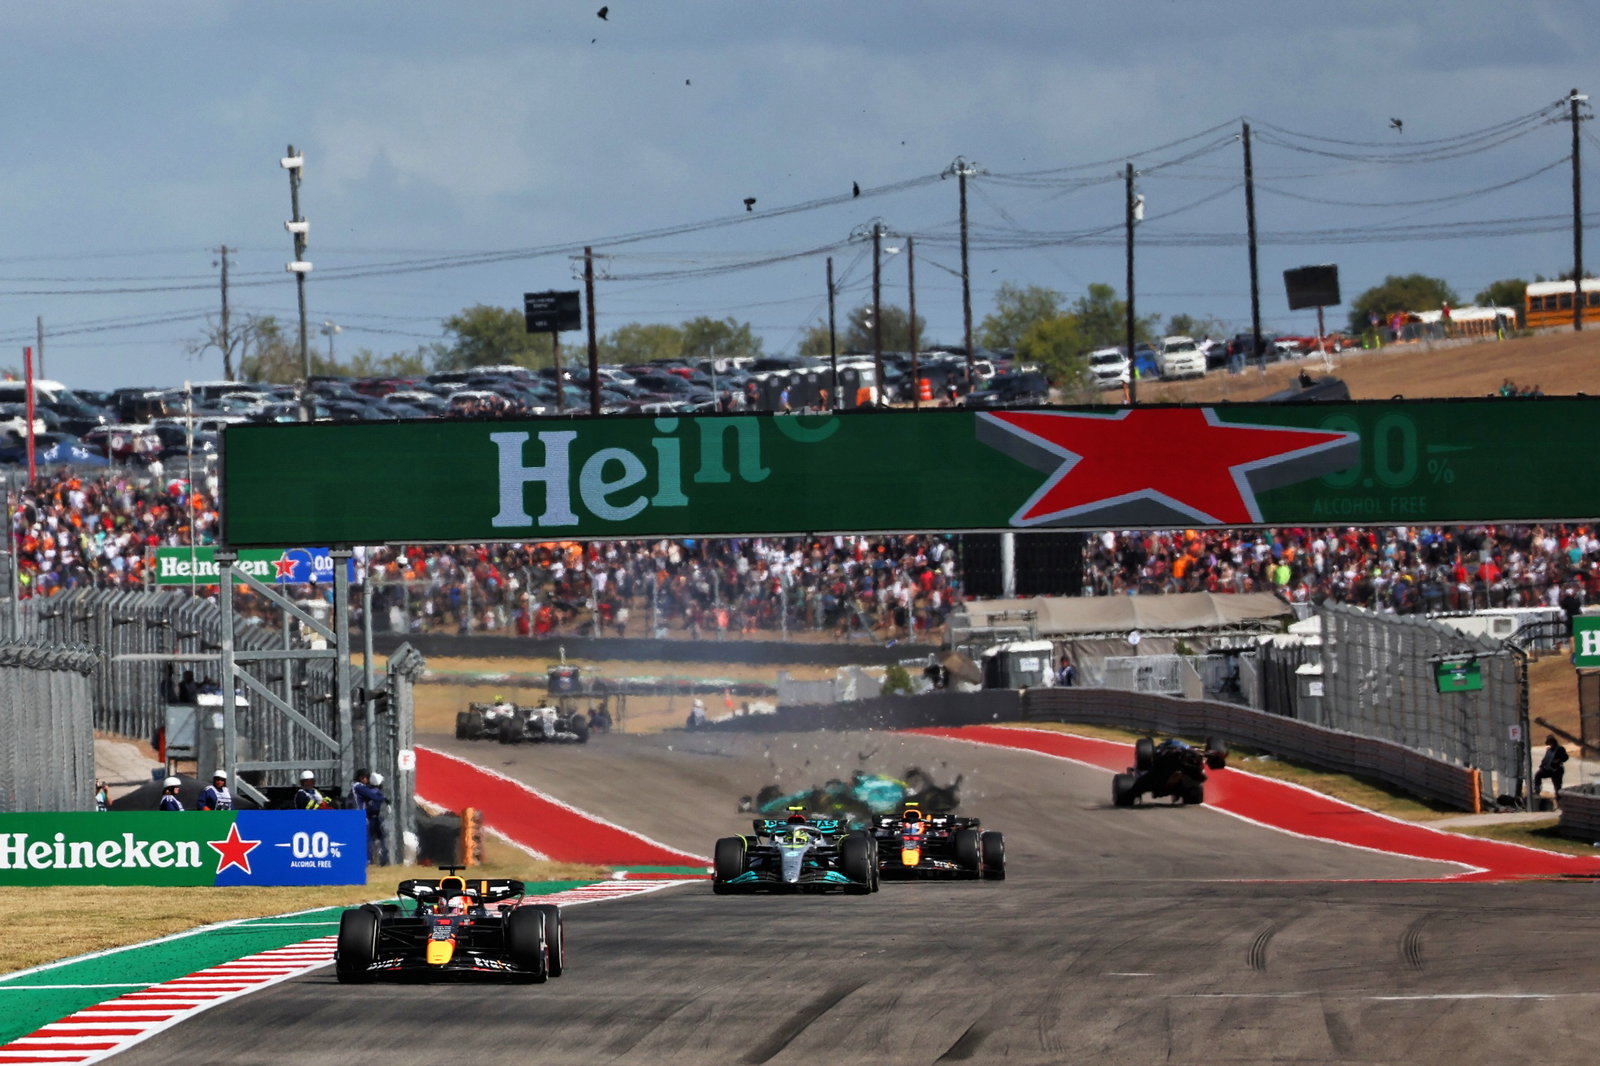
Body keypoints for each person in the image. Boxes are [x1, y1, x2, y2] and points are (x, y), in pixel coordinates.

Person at [351, 769, 390, 865]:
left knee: (367, 838)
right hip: (360, 815)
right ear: (361, 778)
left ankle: (371, 859)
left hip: (360, 816)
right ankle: (367, 860)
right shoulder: (359, 787)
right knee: (366, 839)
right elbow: (374, 796)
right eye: (365, 778)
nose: (367, 780)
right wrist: (385, 798)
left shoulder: (360, 787)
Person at [1533, 735, 1569, 802]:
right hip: (1548, 770)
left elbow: (1566, 757)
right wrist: (1542, 766)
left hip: (1556, 771)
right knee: (1538, 775)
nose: (1551, 745)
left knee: (1557, 786)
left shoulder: (1559, 749)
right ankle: (1537, 790)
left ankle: (1559, 800)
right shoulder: (1549, 750)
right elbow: (1545, 760)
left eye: (1551, 743)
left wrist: (1558, 760)